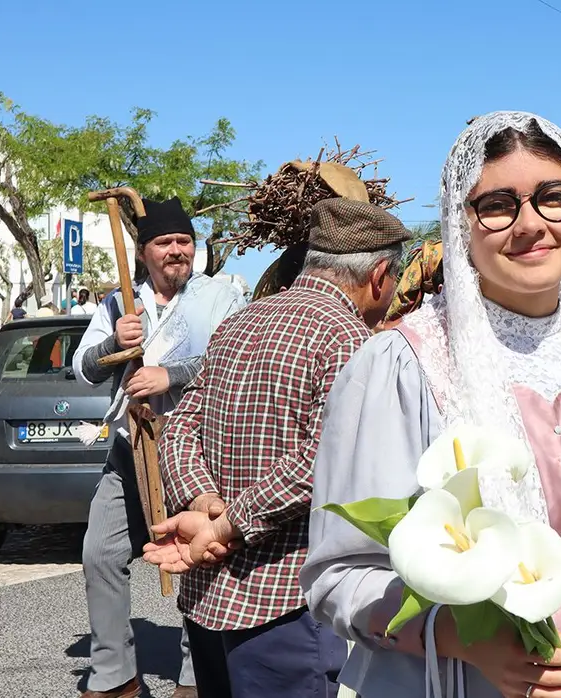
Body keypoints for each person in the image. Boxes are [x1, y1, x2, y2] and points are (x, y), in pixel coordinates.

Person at [298, 112, 561, 698]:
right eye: (498, 204)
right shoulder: (401, 366)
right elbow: (335, 578)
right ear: (460, 223)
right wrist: (461, 637)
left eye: (554, 197)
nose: (531, 224)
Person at [141, 197, 411, 698]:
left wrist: (205, 505)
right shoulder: (352, 340)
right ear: (379, 276)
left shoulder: (237, 322)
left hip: (208, 594)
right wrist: (225, 524)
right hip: (287, 603)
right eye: (395, 281)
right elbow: (323, 457)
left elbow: (178, 427)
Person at [72, 196, 246, 698]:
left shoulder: (221, 297)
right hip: (130, 446)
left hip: (196, 451)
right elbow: (82, 371)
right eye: (165, 243)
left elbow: (228, 360)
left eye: (184, 242)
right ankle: (114, 675)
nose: (176, 251)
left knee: (198, 556)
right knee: (99, 554)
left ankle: (197, 676)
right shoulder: (118, 302)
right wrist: (111, 347)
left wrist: (169, 375)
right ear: (143, 252)